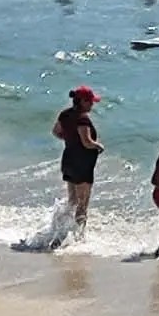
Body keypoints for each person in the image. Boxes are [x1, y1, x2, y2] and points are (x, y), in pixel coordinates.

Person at [51, 85, 103, 230]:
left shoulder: (65, 114)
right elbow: (87, 142)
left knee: (72, 200)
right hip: (82, 164)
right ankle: (79, 237)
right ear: (83, 102)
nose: (92, 104)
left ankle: (58, 226)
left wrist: (70, 139)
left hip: (68, 160)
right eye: (90, 101)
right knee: (83, 203)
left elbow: (56, 132)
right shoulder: (82, 119)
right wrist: (99, 146)